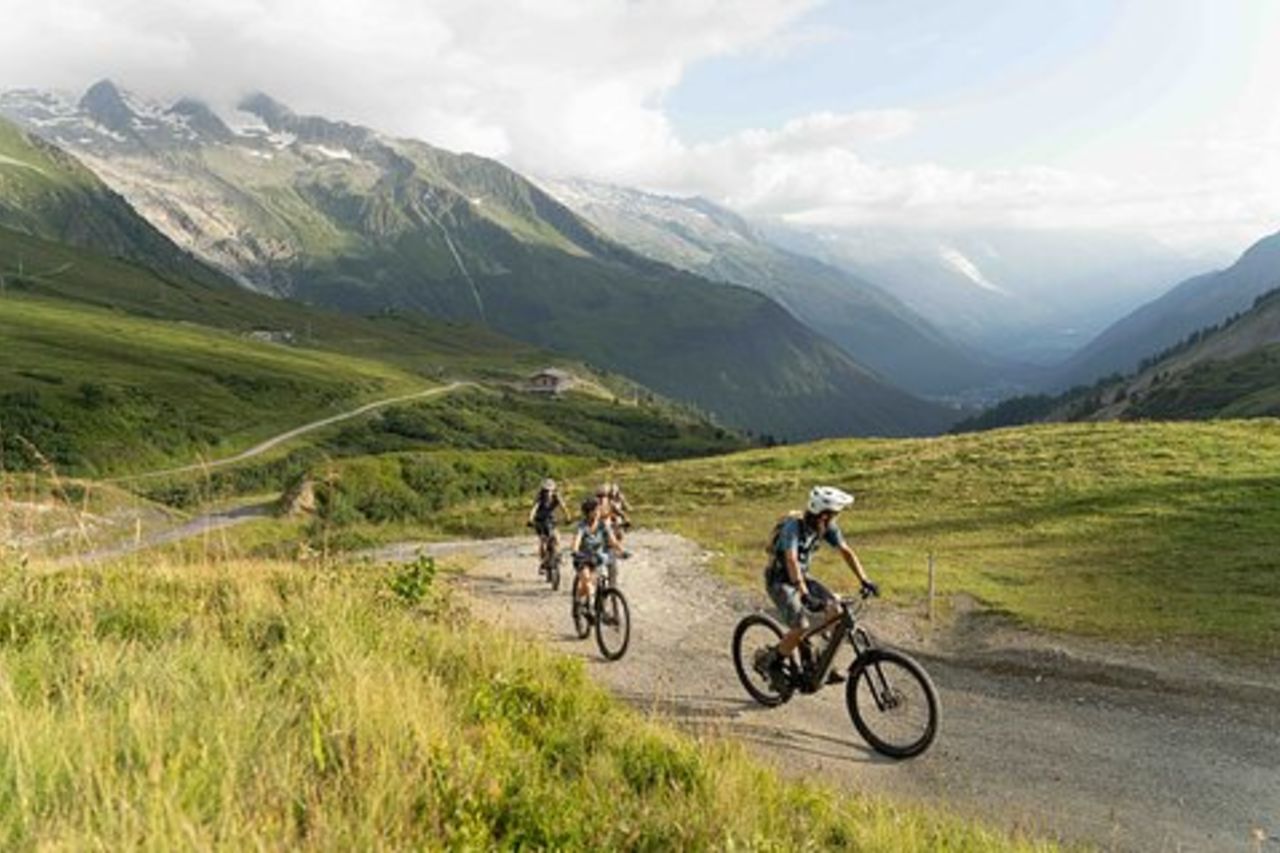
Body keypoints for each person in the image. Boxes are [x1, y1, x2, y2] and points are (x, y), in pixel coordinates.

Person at [757, 486, 878, 690]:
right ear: (823, 515)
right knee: (801, 626)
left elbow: (846, 551)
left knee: (836, 611)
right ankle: (772, 663)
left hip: (802, 577)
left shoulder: (826, 527)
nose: (836, 520)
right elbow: (791, 559)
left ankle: (821, 664)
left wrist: (864, 579)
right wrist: (803, 593)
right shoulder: (792, 528)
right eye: (834, 515)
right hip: (780, 581)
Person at [571, 496, 622, 616]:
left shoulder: (603, 524)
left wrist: (621, 550)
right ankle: (578, 602)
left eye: (599, 509)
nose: (599, 511)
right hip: (582, 557)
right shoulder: (582, 526)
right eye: (596, 510)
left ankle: (595, 606)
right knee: (587, 582)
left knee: (594, 583)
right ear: (589, 513)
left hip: (597, 558)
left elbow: (612, 540)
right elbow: (577, 540)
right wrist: (575, 550)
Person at [527, 478, 569, 574]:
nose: (548, 493)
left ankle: (558, 555)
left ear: (554, 490)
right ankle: (543, 562)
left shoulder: (557, 496)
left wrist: (568, 517)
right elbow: (534, 509)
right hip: (540, 520)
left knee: (557, 537)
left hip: (550, 519)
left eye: (550, 490)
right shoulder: (540, 497)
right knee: (543, 542)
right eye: (546, 491)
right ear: (543, 490)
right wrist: (530, 519)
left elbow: (564, 507)